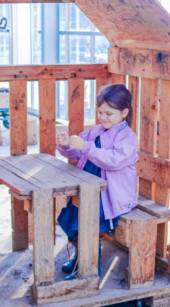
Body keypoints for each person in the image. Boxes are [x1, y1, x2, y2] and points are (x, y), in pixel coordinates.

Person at [56, 83, 138, 280]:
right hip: (87, 189)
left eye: (109, 113)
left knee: (87, 223)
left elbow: (113, 161)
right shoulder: (96, 131)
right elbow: (78, 152)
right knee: (70, 219)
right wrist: (67, 145)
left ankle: (90, 267)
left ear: (124, 112)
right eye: (100, 112)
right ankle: (79, 258)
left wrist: (86, 147)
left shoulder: (127, 137)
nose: (103, 117)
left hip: (110, 194)